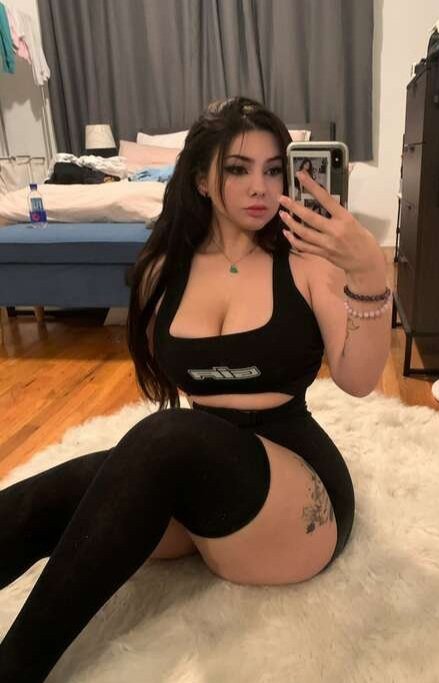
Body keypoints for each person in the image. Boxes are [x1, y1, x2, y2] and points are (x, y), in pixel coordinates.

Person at [0, 96, 391, 682]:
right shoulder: (165, 270)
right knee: (56, 495)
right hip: (191, 475)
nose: (260, 186)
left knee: (168, 436)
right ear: (203, 180)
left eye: (273, 169)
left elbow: (358, 381)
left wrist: (367, 273)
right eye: (238, 168)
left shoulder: (309, 263)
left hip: (295, 496)